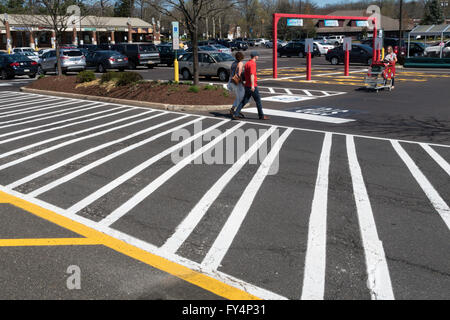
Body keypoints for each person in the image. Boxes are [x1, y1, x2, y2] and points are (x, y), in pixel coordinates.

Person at [231, 51, 269, 120]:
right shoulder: (252, 64)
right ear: (255, 56)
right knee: (258, 101)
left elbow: (245, 74)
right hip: (252, 85)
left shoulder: (247, 63)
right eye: (257, 55)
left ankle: (236, 114)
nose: (258, 57)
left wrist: (246, 84)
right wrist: (252, 86)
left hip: (247, 85)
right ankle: (261, 115)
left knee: (244, 101)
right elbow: (252, 75)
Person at [227, 51, 245, 117]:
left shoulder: (233, 63)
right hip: (237, 82)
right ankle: (235, 110)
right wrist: (242, 83)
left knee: (239, 96)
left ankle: (234, 110)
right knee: (242, 96)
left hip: (231, 81)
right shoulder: (240, 63)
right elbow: (239, 74)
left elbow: (231, 72)